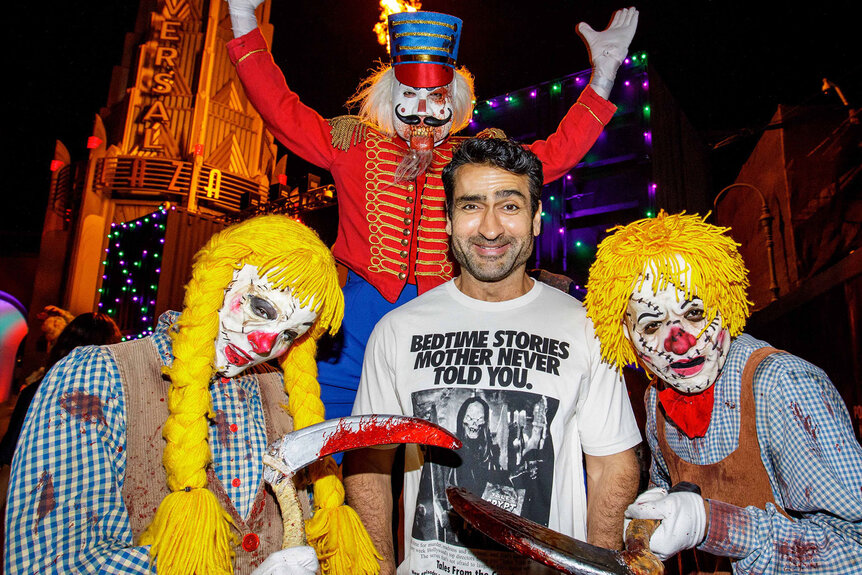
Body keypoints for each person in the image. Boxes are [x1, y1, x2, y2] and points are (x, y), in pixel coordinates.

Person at [225, 1, 640, 418]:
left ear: (453, 102)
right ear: (392, 98)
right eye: (411, 96)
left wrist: (602, 77)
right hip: (349, 324)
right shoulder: (352, 144)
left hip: (443, 320)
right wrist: (243, 19)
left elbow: (555, 157)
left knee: (433, 444)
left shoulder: (476, 160)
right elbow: (279, 109)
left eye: (435, 98)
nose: (422, 112)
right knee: (323, 429)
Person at [4, 215, 378, 575]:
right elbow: (53, 561)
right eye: (261, 307)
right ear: (218, 275)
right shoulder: (97, 376)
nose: (265, 344)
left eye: (288, 335)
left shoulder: (283, 397)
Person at [344, 137, 642, 575]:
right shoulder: (397, 329)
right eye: (470, 206)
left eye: (509, 206)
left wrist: (597, 569)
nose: (489, 228)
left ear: (537, 219)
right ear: (446, 220)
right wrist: (379, 569)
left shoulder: (585, 325)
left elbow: (612, 463)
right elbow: (369, 460)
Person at [584, 211, 862, 574]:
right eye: (652, 325)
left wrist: (715, 526)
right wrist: (656, 502)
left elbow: (855, 548)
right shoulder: (656, 400)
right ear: (627, 338)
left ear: (725, 303)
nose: (679, 343)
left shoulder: (783, 385)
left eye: (695, 313)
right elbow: (670, 487)